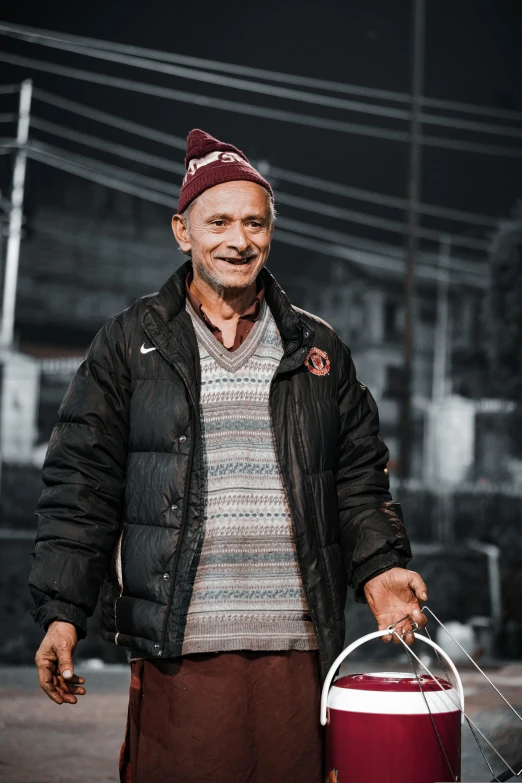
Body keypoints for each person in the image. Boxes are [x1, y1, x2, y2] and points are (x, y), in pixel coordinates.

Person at [30, 129, 428, 783]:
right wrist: (60, 612)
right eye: (218, 222)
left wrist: (382, 568)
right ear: (182, 231)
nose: (238, 240)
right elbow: (82, 484)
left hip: (295, 648)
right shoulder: (129, 345)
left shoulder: (319, 349)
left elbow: (357, 477)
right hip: (179, 650)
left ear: (270, 231)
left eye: (254, 222)